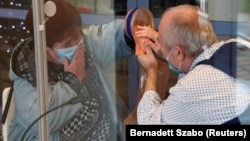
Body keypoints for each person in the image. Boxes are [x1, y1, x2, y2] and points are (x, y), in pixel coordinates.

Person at [7, 0, 135, 140]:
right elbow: (44, 122)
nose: (77, 45)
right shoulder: (28, 78)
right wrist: (73, 81)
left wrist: (128, 29)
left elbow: (107, 37)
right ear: (47, 51)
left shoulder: (84, 43)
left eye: (77, 35)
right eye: (68, 43)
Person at [136, 4, 250, 124]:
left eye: (160, 40)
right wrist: (169, 54)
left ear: (178, 52)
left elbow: (148, 123)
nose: (158, 42)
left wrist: (151, 70)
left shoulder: (192, 88)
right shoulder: (238, 45)